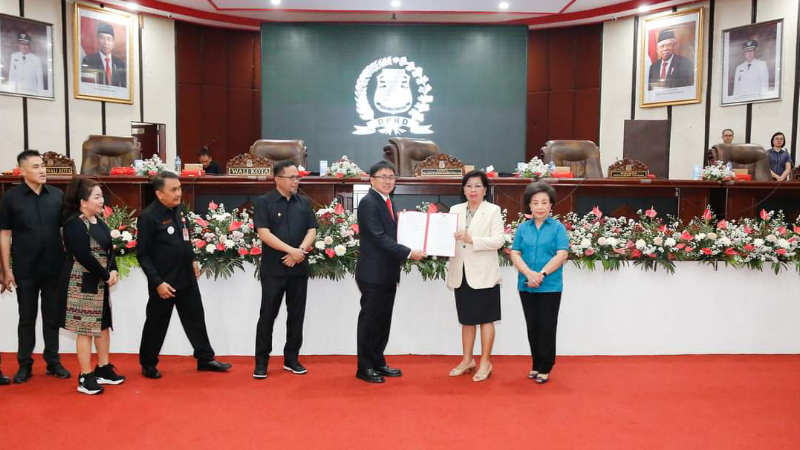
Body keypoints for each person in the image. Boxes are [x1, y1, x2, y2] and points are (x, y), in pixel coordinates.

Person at [136, 172, 231, 378]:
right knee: (156, 323)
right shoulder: (148, 217)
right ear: (159, 193)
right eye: (173, 190)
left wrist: (193, 259)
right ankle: (148, 363)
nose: (179, 193)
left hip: (186, 276)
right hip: (164, 282)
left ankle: (205, 359)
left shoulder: (179, 210)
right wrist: (157, 282)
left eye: (179, 188)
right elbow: (142, 255)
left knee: (196, 319)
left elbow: (185, 238)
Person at [0, 150, 70, 384]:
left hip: (54, 267)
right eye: (36, 166)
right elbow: (5, 234)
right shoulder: (11, 198)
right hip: (25, 268)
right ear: (22, 171)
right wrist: (6, 269)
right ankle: (24, 364)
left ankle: (53, 361)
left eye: (43, 166)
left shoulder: (57, 195)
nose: (42, 170)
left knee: (52, 317)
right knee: (26, 318)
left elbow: (66, 230)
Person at [355, 160, 424, 383]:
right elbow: (378, 237)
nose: (387, 181)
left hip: (387, 272)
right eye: (383, 176)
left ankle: (378, 362)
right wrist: (408, 252)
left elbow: (394, 234)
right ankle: (365, 367)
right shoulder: (368, 202)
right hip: (373, 273)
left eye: (391, 177)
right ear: (371, 179)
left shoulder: (387, 201)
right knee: (370, 321)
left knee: (382, 320)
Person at [60, 177, 126, 395]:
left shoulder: (99, 221)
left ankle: (103, 368)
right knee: (86, 329)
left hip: (101, 283)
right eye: (96, 197)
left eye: (101, 196)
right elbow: (83, 256)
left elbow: (109, 250)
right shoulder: (74, 224)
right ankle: (85, 375)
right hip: (82, 284)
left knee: (103, 326)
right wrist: (106, 275)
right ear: (82, 202)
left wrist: (113, 270)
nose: (101, 200)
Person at [253, 160, 318, 379]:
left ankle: (292, 359)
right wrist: (291, 251)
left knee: (296, 315)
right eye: (291, 177)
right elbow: (264, 233)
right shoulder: (264, 202)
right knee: (267, 315)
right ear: (277, 179)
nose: (295, 181)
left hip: (298, 268)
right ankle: (261, 362)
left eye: (297, 177)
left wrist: (300, 251)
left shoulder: (304, 202)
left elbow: (312, 230)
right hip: (274, 269)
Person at [445, 170, 505, 382]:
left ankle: (486, 362)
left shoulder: (493, 211)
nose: (473, 190)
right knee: (467, 320)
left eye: (477, 186)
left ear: (485, 190)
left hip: (484, 273)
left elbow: (499, 241)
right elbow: (447, 239)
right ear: (463, 189)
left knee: (486, 320)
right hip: (461, 272)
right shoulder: (455, 210)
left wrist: (472, 239)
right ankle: (467, 360)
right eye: (469, 186)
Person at [509, 181, 569, 384]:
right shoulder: (522, 228)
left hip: (550, 286)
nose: (540, 206)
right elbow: (515, 253)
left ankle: (545, 366)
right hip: (526, 285)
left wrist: (541, 274)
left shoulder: (558, 228)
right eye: (535, 202)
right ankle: (536, 364)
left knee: (547, 327)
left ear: (551, 205)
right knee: (532, 326)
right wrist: (528, 274)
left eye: (544, 202)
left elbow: (562, 254)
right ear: (529, 205)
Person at [81, 22, 126, 87]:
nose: (106, 43)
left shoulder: (120, 64)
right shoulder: (88, 60)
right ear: (97, 40)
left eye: (109, 39)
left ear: (113, 42)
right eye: (102, 38)